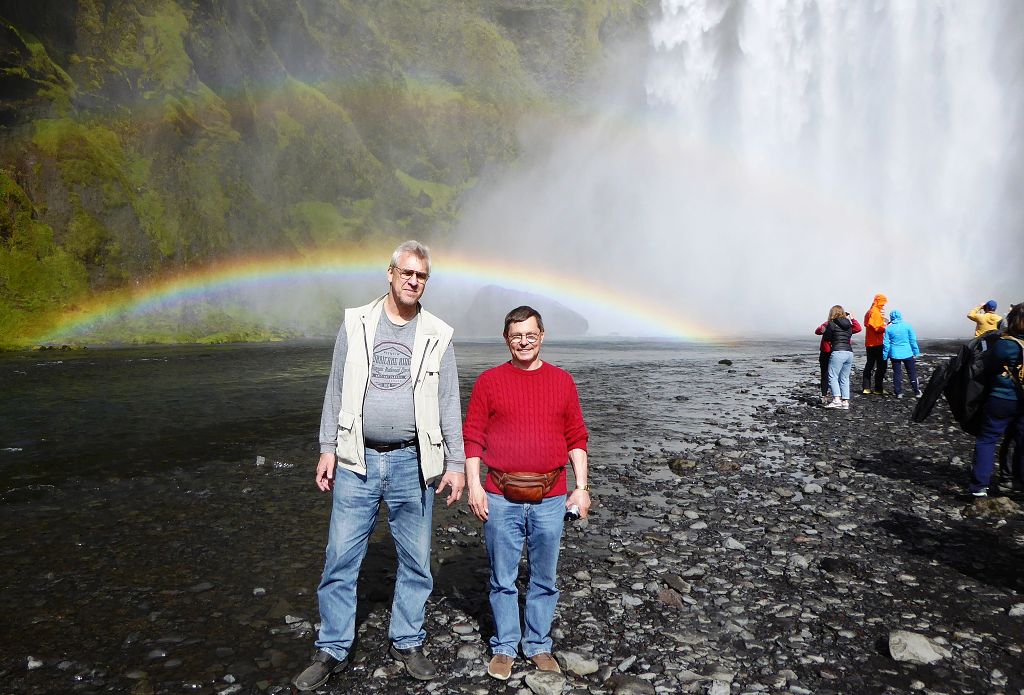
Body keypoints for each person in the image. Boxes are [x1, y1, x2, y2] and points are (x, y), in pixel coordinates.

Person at [293, 240, 467, 691]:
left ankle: (407, 640)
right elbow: (334, 389)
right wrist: (326, 447)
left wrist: (455, 463)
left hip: (414, 460)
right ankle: (332, 648)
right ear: (390, 273)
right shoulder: (355, 323)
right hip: (357, 458)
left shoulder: (438, 334)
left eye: (422, 275)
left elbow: (449, 403)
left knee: (416, 559)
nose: (414, 281)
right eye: (407, 272)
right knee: (341, 556)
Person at [462, 306, 590, 681]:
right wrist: (474, 486)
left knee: (544, 578)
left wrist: (581, 489)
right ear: (506, 338)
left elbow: (576, 437)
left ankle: (537, 644)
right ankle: (504, 646)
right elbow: (473, 437)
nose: (524, 341)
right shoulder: (488, 381)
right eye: (517, 335)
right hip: (500, 494)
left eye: (530, 334)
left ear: (542, 336)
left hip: (552, 496)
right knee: (502, 577)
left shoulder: (562, 381)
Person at [968, 302, 1024, 497]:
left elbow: (986, 366)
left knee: (987, 439)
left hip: (1001, 397)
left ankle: (979, 487)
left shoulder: (1005, 344)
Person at [823, 305, 862, 410]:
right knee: (844, 377)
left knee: (833, 376)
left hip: (838, 352)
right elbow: (858, 328)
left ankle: (836, 400)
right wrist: (852, 318)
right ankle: (845, 401)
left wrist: (825, 331)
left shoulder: (832, 324)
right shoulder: (849, 324)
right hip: (849, 352)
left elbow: (826, 338)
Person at [881, 310, 922, 399]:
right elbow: (912, 340)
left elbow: (886, 343)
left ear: (891, 317)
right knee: (912, 373)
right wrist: (916, 351)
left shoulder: (889, 328)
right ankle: (917, 391)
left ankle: (898, 393)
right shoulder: (907, 326)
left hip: (894, 354)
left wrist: (885, 355)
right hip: (907, 352)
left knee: (897, 373)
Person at [861, 293, 888, 395]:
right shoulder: (875, 312)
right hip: (878, 343)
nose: (883, 305)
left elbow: (867, 324)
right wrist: (886, 326)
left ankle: (866, 387)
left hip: (869, 343)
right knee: (881, 366)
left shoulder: (869, 312)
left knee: (870, 365)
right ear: (879, 301)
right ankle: (878, 388)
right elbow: (877, 328)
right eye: (883, 302)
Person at [814, 316, 834, 405]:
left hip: (826, 351)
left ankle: (824, 395)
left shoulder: (827, 324)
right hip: (837, 351)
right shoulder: (844, 325)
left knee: (825, 374)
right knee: (836, 375)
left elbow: (818, 331)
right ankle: (839, 397)